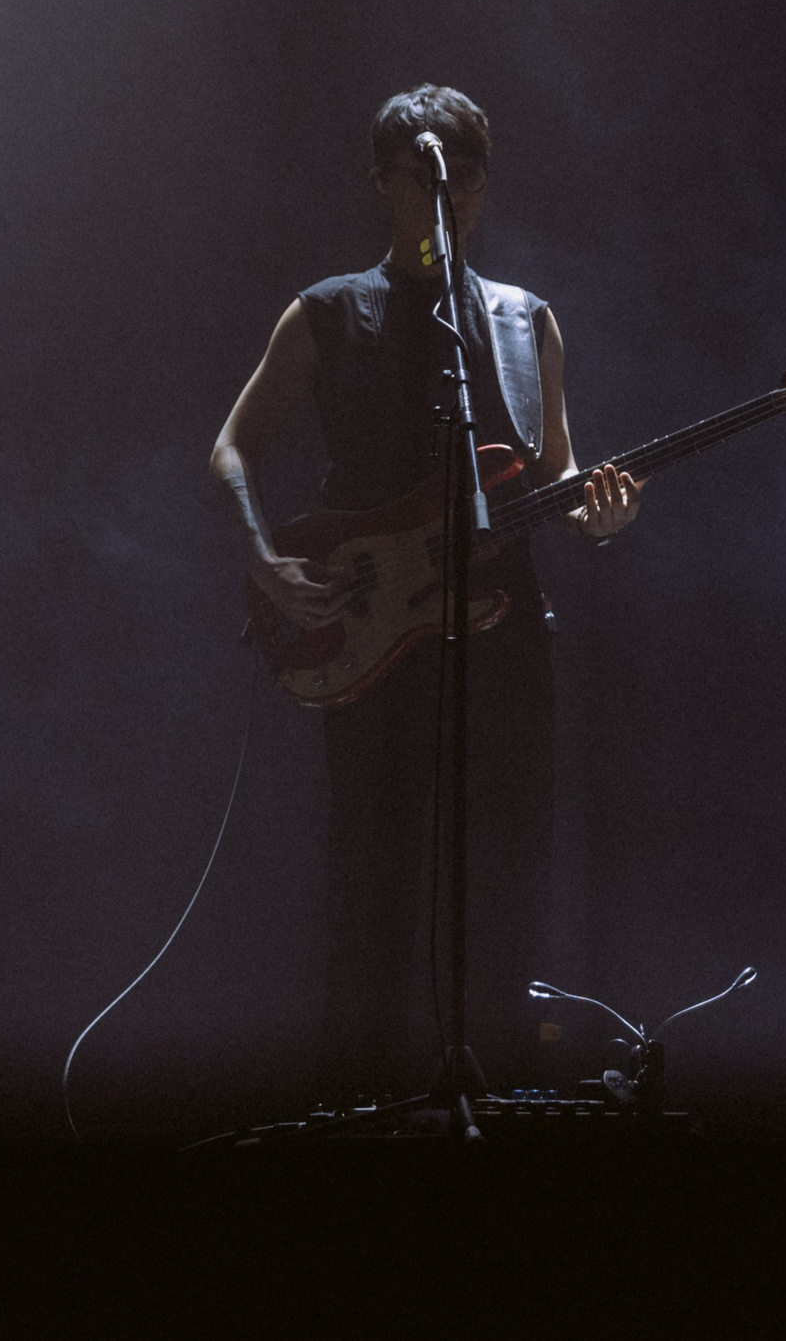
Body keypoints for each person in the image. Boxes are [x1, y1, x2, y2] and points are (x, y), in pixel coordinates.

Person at [209, 83, 639, 1100]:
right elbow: (232, 447)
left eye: (465, 174)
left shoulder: (523, 321)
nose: (447, 195)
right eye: (423, 176)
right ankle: (353, 1093)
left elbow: (561, 485)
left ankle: (479, 1088)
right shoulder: (325, 312)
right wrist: (263, 557)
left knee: (499, 865)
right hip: (371, 629)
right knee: (372, 864)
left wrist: (601, 516)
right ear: (383, 182)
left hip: (501, 639)